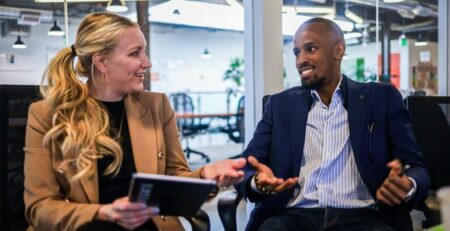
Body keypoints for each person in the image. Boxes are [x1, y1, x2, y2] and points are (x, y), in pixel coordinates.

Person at [24, 12, 246, 231]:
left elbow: (175, 177)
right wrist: (103, 213)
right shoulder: (48, 114)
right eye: (135, 54)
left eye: (145, 52)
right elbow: (40, 207)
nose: (147, 63)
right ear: (102, 62)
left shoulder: (156, 105)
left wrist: (205, 175)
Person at [235, 17, 430, 231]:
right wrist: (257, 181)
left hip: (365, 216)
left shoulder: (381, 98)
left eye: (311, 49)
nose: (301, 60)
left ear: (338, 51)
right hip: (294, 217)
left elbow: (416, 167)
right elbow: (246, 166)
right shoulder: (280, 105)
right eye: (297, 52)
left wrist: (408, 186)